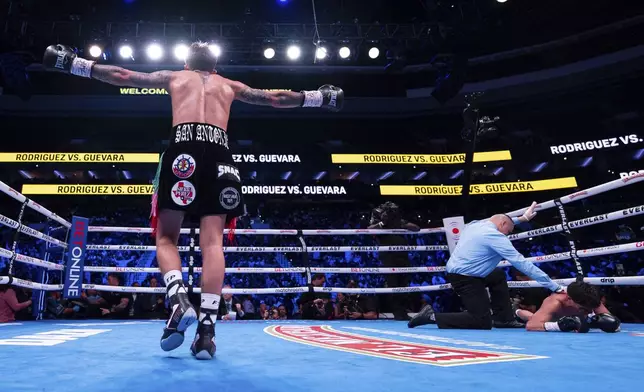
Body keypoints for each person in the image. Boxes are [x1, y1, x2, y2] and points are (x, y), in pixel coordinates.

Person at [43, 42, 343, 360]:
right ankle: (206, 333)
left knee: (167, 237)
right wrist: (320, 97)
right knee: (212, 243)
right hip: (220, 155)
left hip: (182, 150)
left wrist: (72, 63)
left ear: (187, 64)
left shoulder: (176, 78)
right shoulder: (229, 85)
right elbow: (274, 98)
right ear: (214, 67)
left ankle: (178, 301)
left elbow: (123, 74)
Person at [408, 202, 565, 330]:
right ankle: (431, 316)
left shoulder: (475, 225)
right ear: (502, 224)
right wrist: (553, 286)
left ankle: (504, 319)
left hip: (463, 273)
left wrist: (521, 219)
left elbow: (495, 220)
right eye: (508, 231)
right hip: (466, 278)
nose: (508, 235)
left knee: (497, 275)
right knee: (481, 321)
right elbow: (521, 262)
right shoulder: (495, 236)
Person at [368, 202, 420, 320]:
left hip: (402, 254)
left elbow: (417, 228)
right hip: (388, 256)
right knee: (393, 284)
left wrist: (401, 224)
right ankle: (398, 313)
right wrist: (383, 223)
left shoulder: (399, 222)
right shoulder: (379, 223)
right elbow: (369, 230)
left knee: (404, 283)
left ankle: (402, 311)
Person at [517, 281, 621, 333]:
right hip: (554, 319)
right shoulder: (555, 301)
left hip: (571, 319)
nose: (588, 311)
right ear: (569, 299)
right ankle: (516, 310)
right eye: (583, 309)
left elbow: (613, 323)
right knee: (533, 317)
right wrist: (558, 326)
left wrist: (597, 322)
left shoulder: (590, 299)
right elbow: (531, 325)